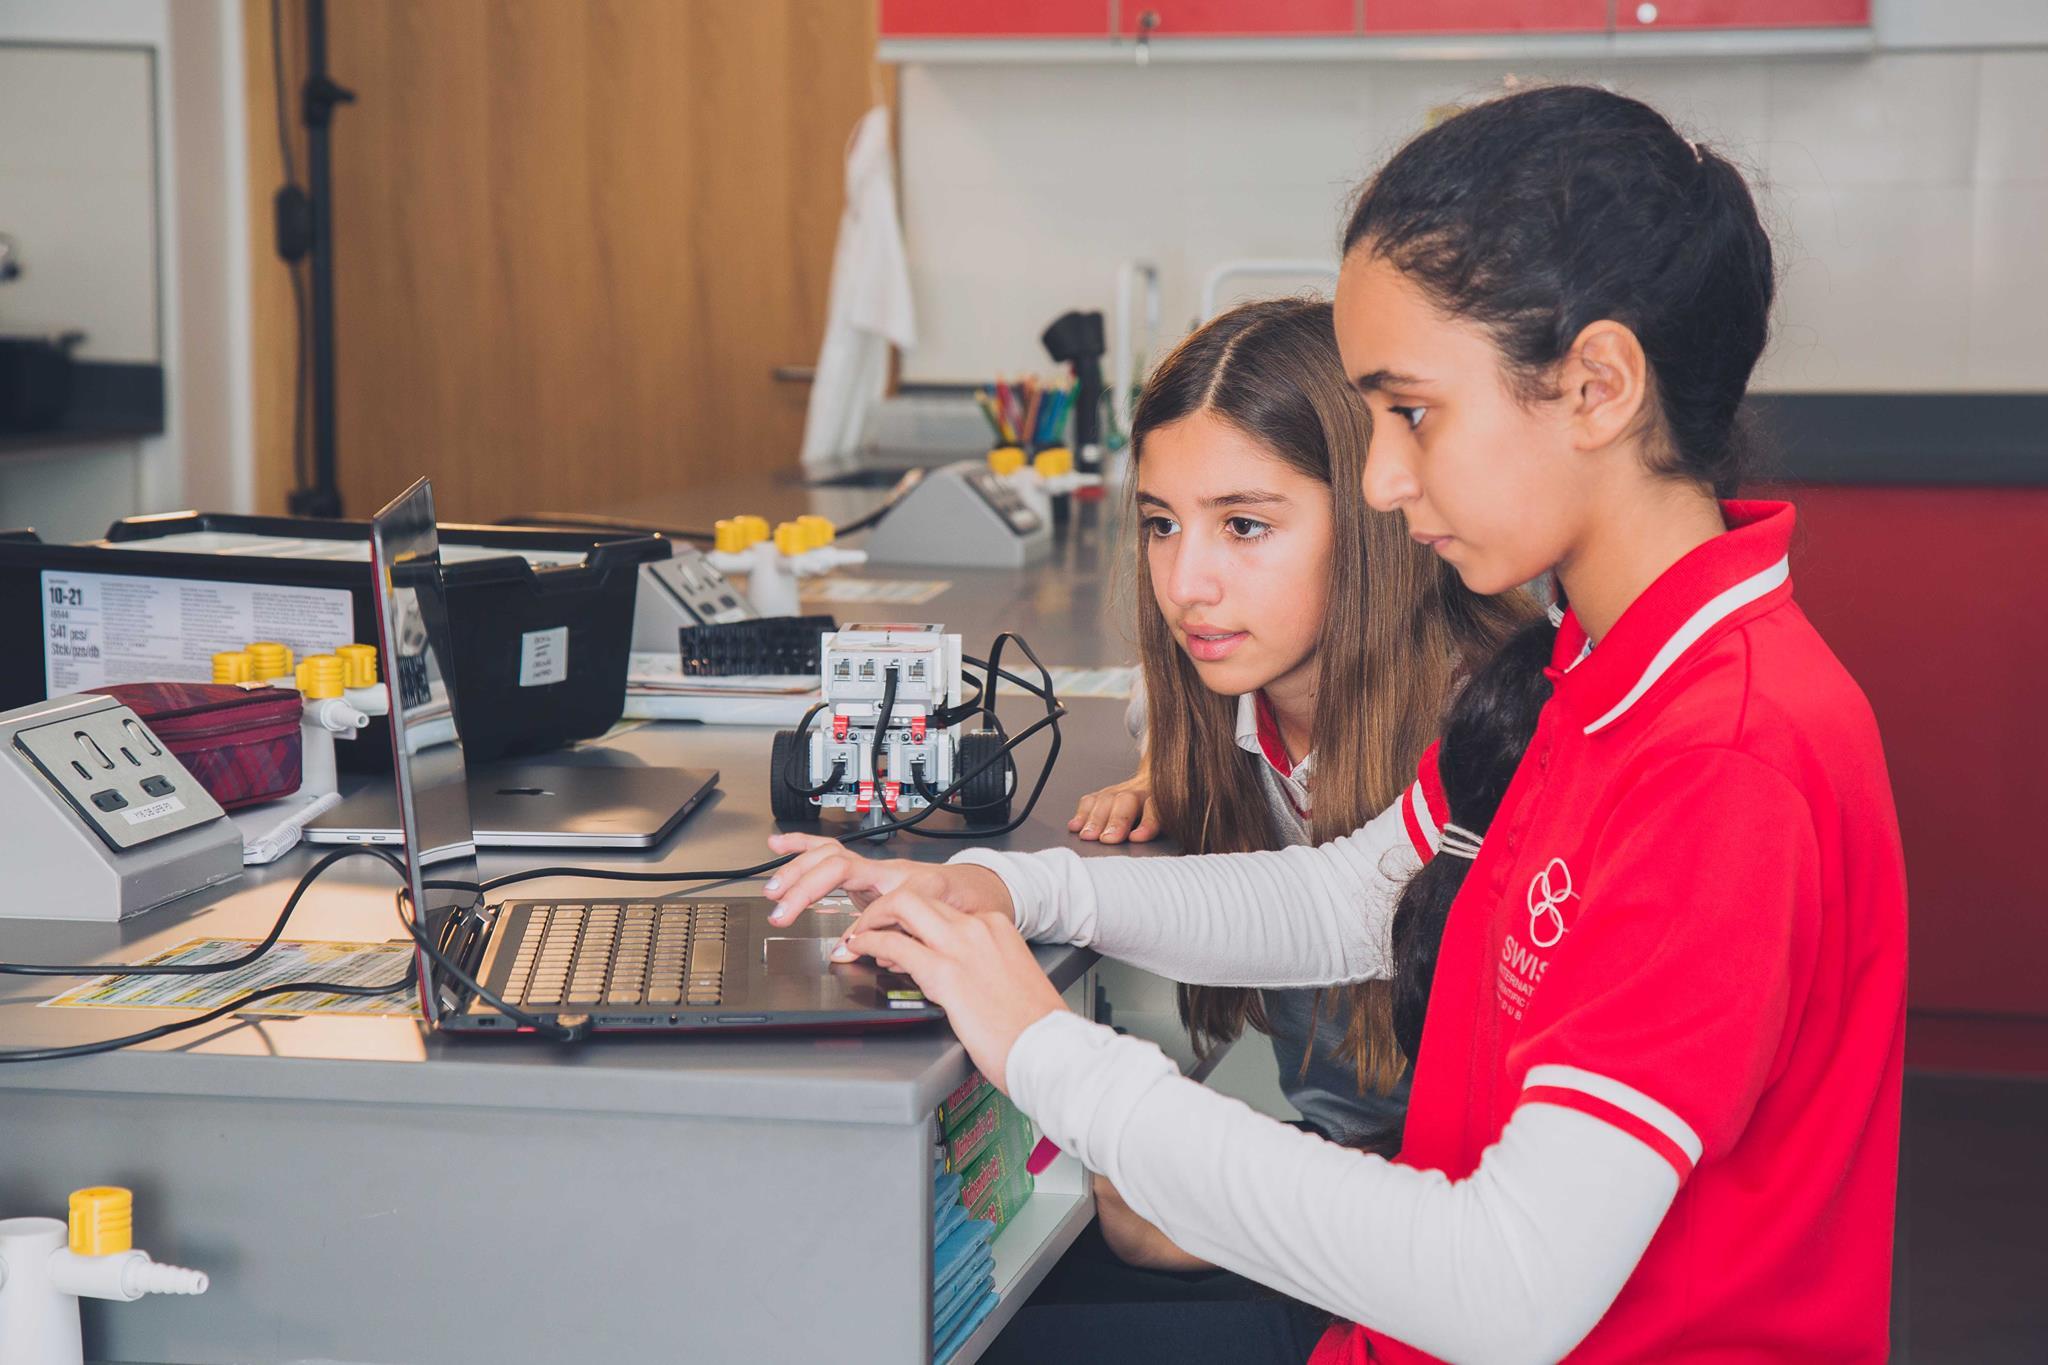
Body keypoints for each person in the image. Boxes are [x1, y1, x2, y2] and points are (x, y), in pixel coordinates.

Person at [767, 84, 1907, 1363]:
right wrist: (1003, 892)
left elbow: (1508, 1287)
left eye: (1410, 413)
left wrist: (1042, 1049)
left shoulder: (1722, 758)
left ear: (1595, 385)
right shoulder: (1587, 670)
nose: (1377, 479)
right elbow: (1344, 901)